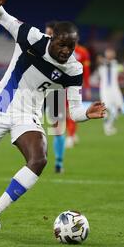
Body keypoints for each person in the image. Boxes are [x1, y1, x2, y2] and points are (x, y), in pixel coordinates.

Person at [0, 0, 106, 236]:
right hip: (0, 104)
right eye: (62, 45)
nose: (67, 51)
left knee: (38, 158)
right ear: (51, 38)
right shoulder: (32, 37)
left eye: (71, 46)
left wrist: (88, 113)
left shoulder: (74, 69)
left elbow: (74, 111)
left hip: (28, 113)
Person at [45, 21, 91, 173]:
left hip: (60, 91)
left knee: (62, 124)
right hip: (43, 92)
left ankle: (59, 162)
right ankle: (41, 159)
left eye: (50, 34)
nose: (47, 36)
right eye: (46, 33)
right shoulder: (39, 48)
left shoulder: (65, 53)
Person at [97, 48, 124, 136]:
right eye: (108, 53)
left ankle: (109, 125)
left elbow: (121, 69)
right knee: (106, 108)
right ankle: (106, 128)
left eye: (111, 53)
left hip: (115, 88)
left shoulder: (115, 64)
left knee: (120, 107)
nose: (110, 54)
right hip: (105, 89)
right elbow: (99, 60)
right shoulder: (102, 64)